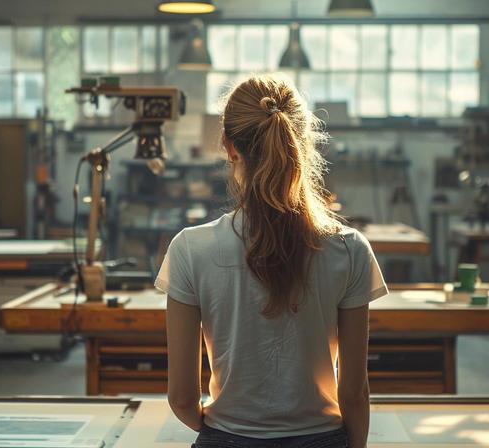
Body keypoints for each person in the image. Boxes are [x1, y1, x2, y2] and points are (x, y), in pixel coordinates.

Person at [156, 74, 388, 448]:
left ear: (230, 147)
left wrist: (228, 432)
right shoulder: (349, 249)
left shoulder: (188, 248)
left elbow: (182, 399)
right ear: (304, 142)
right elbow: (355, 394)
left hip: (226, 438)